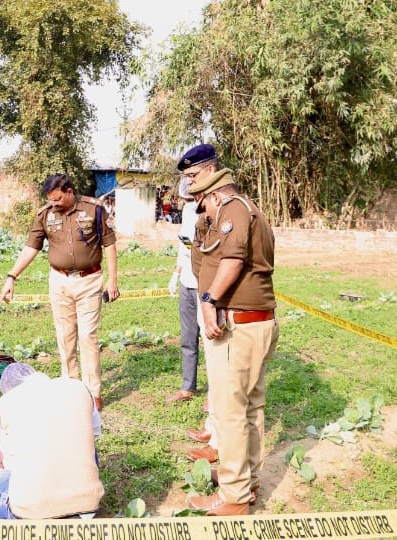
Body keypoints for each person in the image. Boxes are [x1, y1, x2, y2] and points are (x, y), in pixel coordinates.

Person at [180, 144, 279, 516]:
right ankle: (247, 480)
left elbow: (234, 259)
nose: (193, 194)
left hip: (238, 326)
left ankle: (235, 497)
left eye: (194, 183)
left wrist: (208, 300)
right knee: (250, 408)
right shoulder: (241, 208)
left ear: (210, 178)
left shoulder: (233, 208)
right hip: (252, 322)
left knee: (230, 411)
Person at [0, 173, 119, 410]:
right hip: (59, 282)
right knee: (65, 337)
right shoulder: (45, 215)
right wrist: (12, 276)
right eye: (50, 200)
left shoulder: (93, 209)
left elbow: (109, 244)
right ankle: (71, 388)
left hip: (90, 281)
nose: (54, 204)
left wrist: (112, 280)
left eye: (57, 199)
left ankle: (93, 392)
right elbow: (31, 248)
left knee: (88, 336)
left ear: (70, 192)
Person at [0, 363, 104, 519]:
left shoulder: (7, 403)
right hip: (88, 508)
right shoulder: (77, 387)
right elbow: (94, 434)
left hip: (31, 510)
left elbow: (10, 464)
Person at [166, 177, 202, 405]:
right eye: (185, 198)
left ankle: (218, 394)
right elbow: (183, 247)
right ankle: (188, 387)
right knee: (188, 339)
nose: (187, 202)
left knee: (213, 341)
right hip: (186, 284)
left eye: (191, 198)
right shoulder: (188, 213)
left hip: (205, 287)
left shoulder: (208, 214)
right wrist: (176, 274)